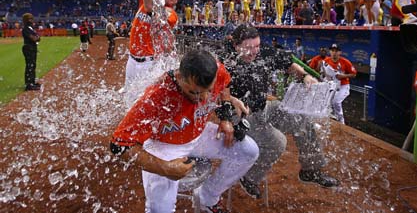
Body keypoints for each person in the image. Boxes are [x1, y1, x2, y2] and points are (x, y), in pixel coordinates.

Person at [111, 50, 259, 213]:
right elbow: (119, 145)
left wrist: (224, 115)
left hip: (199, 135)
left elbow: (224, 85)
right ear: (180, 77)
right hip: (165, 146)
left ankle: (208, 198)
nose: (203, 98)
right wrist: (165, 168)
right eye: (195, 92)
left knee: (248, 151)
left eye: (208, 90)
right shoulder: (157, 96)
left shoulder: (216, 70)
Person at [220, 25, 339, 199]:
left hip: (265, 108)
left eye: (257, 46)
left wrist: (305, 76)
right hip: (242, 116)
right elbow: (213, 93)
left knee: (303, 119)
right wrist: (231, 100)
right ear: (237, 46)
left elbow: (288, 64)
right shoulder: (226, 62)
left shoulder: (263, 53)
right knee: (278, 142)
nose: (254, 52)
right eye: (248, 48)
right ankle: (249, 176)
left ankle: (310, 170)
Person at [125, 0, 181, 105]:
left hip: (148, 65)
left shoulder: (172, 15)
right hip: (132, 60)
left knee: (144, 102)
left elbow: (150, 8)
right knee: (129, 100)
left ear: (177, 1)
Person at [322, 44, 357, 124]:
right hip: (332, 85)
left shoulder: (345, 62)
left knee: (336, 102)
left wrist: (343, 76)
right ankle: (331, 118)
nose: (334, 53)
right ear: (330, 51)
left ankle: (341, 121)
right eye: (332, 50)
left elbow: (354, 74)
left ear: (340, 52)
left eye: (336, 51)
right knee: (326, 101)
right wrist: (326, 77)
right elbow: (323, 71)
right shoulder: (326, 61)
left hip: (343, 86)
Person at [21, 13, 41, 91]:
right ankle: (28, 84)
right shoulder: (26, 29)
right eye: (30, 19)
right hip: (28, 48)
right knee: (30, 65)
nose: (31, 20)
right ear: (26, 20)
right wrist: (36, 37)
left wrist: (37, 37)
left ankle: (32, 82)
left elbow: (38, 38)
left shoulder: (31, 28)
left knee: (33, 65)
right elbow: (35, 38)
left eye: (32, 18)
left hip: (32, 48)